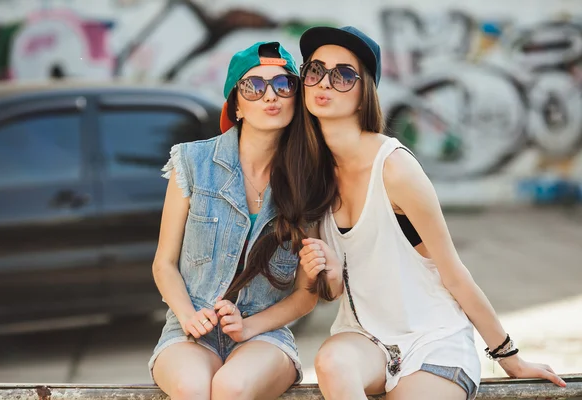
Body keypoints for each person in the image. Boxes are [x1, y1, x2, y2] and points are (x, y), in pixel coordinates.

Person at [294, 26, 567, 400]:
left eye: (343, 75)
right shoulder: (314, 175)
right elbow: (334, 289)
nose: (325, 82)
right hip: (366, 342)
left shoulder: (394, 168)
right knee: (331, 362)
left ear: (363, 95)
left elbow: (454, 273)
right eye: (315, 70)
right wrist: (321, 270)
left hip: (433, 342)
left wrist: (509, 357)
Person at [148, 41, 318, 400]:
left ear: (295, 98)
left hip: (265, 336)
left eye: (283, 85)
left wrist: (249, 326)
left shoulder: (309, 182)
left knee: (232, 388)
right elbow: (163, 264)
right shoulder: (192, 162)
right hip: (190, 329)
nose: (270, 96)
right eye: (254, 87)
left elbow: (305, 296)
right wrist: (189, 315)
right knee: (191, 388)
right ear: (236, 104)